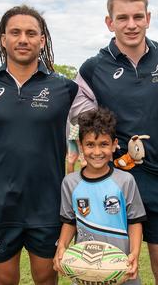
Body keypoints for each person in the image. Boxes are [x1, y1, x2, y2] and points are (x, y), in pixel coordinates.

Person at [70, 0, 158, 284]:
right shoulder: (92, 68)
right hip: (115, 182)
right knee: (117, 270)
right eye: (122, 17)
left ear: (148, 18)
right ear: (109, 22)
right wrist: (122, 153)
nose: (131, 24)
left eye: (138, 16)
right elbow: (86, 127)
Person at [0, 5, 77, 285]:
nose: (23, 39)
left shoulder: (65, 89)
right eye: (15, 32)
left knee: (46, 281)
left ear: (42, 40)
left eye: (31, 33)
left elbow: (94, 126)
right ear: (3, 39)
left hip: (47, 205)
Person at [54, 108, 146, 284]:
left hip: (120, 269)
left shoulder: (125, 181)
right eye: (90, 145)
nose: (97, 152)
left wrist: (134, 253)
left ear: (114, 144)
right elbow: (69, 221)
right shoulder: (70, 183)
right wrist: (62, 246)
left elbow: (135, 222)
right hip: (85, 272)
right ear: (81, 146)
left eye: (103, 144)